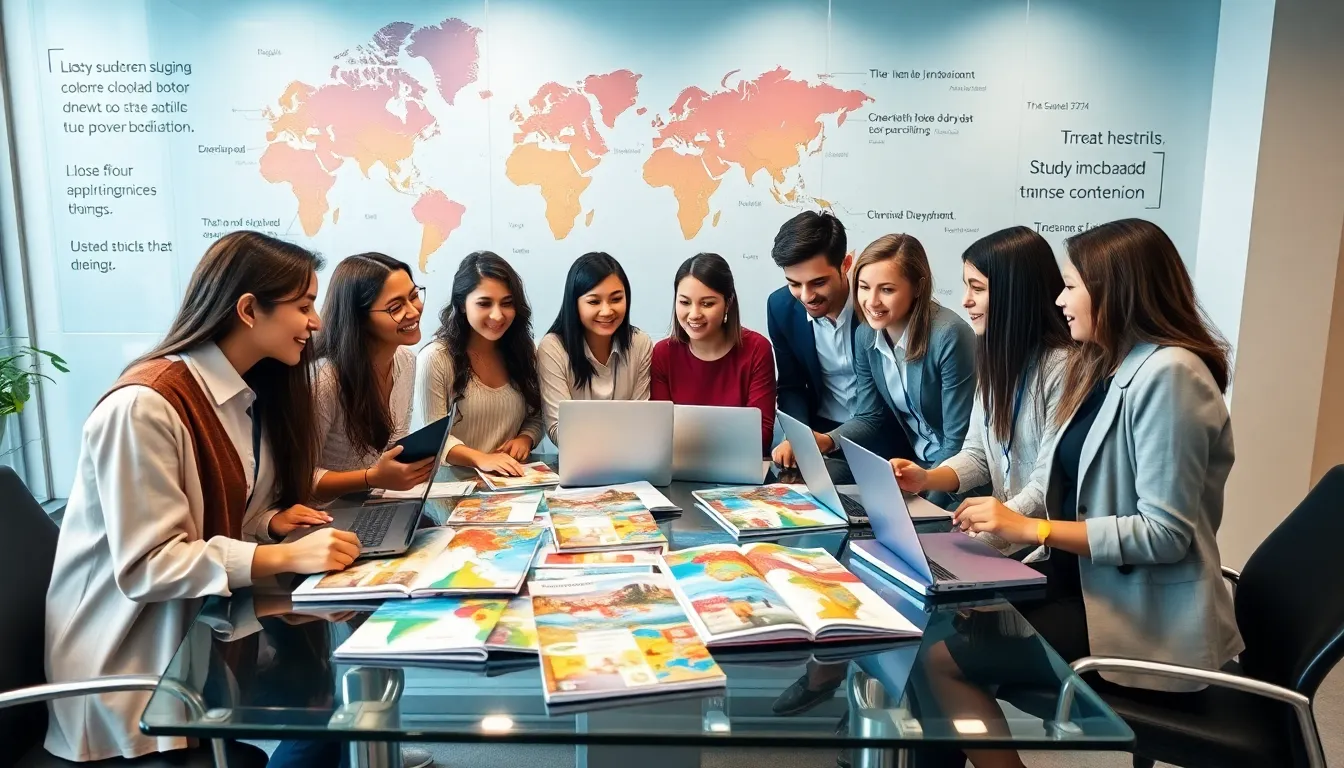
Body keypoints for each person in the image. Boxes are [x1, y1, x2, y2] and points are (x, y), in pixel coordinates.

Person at [928, 218, 1243, 768]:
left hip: (1136, 618)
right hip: (1084, 584)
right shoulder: (1112, 365)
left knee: (936, 661)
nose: (1059, 298)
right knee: (942, 616)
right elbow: (1060, 483)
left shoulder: (1171, 374)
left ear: (1116, 289)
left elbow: (1165, 535)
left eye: (1071, 285)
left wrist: (1030, 528)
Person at [43, 231, 360, 762]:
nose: (317, 322)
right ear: (248, 310)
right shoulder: (145, 406)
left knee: (333, 707)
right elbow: (148, 563)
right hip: (134, 674)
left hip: (204, 632)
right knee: (329, 719)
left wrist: (270, 525)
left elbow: (227, 514)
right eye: (304, 306)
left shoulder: (245, 395)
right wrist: (278, 556)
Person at [889, 227, 1073, 554]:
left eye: (978, 288)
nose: (966, 300)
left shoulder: (1063, 366)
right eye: (966, 286)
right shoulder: (994, 358)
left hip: (1040, 548)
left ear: (1015, 294)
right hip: (1001, 539)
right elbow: (977, 455)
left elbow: (1046, 485)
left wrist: (978, 534)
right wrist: (927, 478)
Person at [817, 234, 976, 505]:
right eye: (864, 287)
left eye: (887, 290)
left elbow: (956, 442)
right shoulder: (866, 335)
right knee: (826, 481)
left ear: (917, 288)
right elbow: (869, 416)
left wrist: (923, 509)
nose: (872, 301)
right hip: (908, 465)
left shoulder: (949, 335)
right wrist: (827, 441)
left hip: (950, 474)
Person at [768, 211, 911, 482]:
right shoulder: (779, 307)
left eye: (818, 282)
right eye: (794, 284)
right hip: (819, 436)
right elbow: (791, 386)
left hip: (884, 438)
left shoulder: (877, 306)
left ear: (846, 264)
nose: (806, 296)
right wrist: (797, 437)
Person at [311, 252, 437, 501]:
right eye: (395, 307)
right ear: (359, 317)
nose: (413, 311)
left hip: (374, 504)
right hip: (322, 521)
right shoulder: (324, 380)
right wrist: (372, 477)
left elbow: (395, 444)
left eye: (413, 296)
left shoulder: (406, 360)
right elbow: (300, 480)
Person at [414, 251, 543, 476]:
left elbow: (537, 415)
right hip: (451, 488)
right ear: (462, 305)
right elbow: (433, 436)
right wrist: (482, 459)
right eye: (484, 303)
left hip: (511, 485)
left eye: (507, 303)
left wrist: (526, 438)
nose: (497, 315)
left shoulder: (525, 351)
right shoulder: (436, 358)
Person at [651, 252, 777, 454]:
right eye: (684, 302)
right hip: (677, 471)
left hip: (738, 473)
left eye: (707, 303)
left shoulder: (756, 349)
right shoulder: (662, 353)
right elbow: (660, 433)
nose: (694, 314)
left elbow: (760, 436)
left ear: (728, 303)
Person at [537, 252, 654, 446]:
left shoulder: (640, 343)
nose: (607, 311)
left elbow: (642, 422)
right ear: (575, 304)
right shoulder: (553, 348)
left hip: (630, 459)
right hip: (578, 462)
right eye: (594, 302)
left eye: (616, 299)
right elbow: (559, 430)